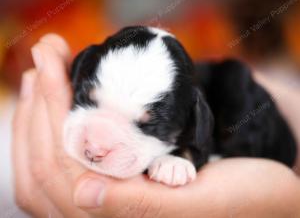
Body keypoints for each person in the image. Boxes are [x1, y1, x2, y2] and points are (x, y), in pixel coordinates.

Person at [12, 34, 300, 218]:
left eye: (145, 126)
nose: (95, 146)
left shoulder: (214, 106)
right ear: (80, 66)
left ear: (193, 123)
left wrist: (184, 157)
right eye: (87, 100)